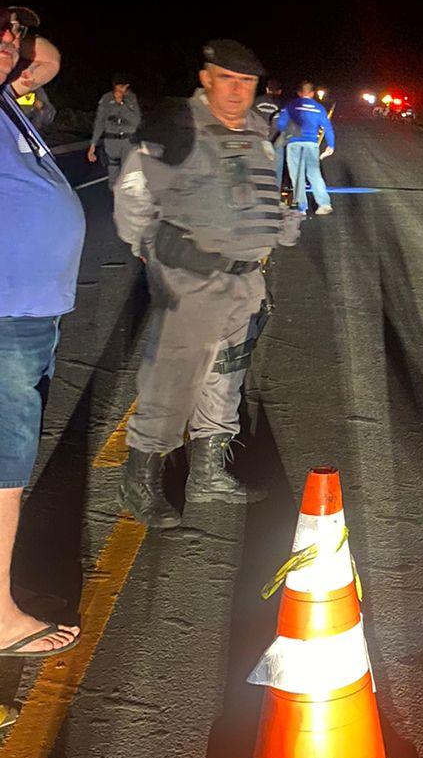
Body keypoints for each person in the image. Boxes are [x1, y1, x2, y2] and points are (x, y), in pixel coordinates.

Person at [113, 39, 303, 527]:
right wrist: (149, 248)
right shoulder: (177, 126)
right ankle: (139, 484)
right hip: (193, 279)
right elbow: (134, 190)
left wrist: (278, 223)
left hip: (245, 282)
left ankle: (209, 475)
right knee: (172, 382)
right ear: (206, 78)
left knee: (225, 380)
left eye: (246, 82)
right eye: (227, 79)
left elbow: (255, 193)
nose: (237, 91)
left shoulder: (259, 131)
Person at [0, 0, 85, 657]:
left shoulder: (10, 103)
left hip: (29, 314)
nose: (12, 41)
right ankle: (0, 618)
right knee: (3, 459)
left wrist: (14, 49)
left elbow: (47, 58)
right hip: (4, 314)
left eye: (11, 30)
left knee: (11, 456)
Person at [276, 80, 335, 215]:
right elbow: (327, 127)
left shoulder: (291, 105)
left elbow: (281, 124)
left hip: (294, 143)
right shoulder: (319, 108)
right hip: (311, 144)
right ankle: (324, 204)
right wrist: (331, 144)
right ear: (313, 94)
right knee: (314, 174)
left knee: (297, 175)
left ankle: (302, 207)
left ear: (299, 93)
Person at [87, 73, 141, 188]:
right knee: (113, 168)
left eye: (123, 86)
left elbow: (136, 120)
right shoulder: (106, 99)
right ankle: (114, 195)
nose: (120, 89)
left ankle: (130, 196)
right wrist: (93, 144)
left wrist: (121, 104)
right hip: (111, 140)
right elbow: (99, 121)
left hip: (128, 140)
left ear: (127, 86)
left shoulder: (131, 98)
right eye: (118, 86)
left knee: (129, 171)